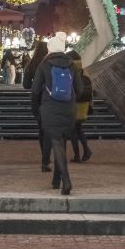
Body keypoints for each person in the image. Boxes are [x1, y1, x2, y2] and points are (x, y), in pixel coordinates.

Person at [32, 34, 82, 195]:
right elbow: (80, 89)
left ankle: (66, 181)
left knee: (56, 143)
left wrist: (39, 105)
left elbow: (34, 90)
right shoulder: (72, 65)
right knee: (62, 141)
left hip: (50, 108)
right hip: (69, 108)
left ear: (50, 49)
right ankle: (56, 181)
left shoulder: (44, 64)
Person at [23, 38, 52, 171]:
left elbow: (26, 85)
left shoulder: (32, 63)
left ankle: (44, 156)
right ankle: (49, 155)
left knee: (42, 129)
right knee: (51, 129)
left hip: (37, 99)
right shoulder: (51, 63)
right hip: (51, 98)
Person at [66, 50, 93, 163]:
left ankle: (78, 155)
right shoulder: (84, 74)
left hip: (74, 105)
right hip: (84, 105)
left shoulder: (70, 74)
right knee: (78, 129)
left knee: (73, 132)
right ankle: (86, 150)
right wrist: (90, 106)